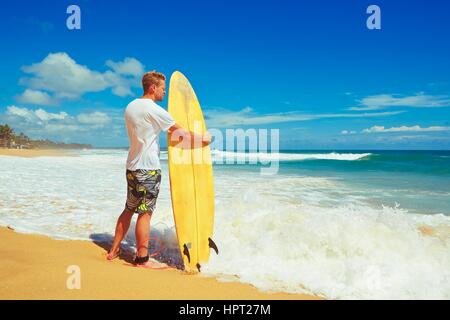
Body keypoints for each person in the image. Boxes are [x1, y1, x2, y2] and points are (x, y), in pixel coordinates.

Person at [107, 70, 211, 268]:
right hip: (148, 169)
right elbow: (180, 132)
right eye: (163, 88)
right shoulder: (153, 109)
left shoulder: (131, 106)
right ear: (153, 88)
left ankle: (114, 249)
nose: (164, 93)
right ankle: (142, 259)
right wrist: (204, 139)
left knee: (129, 208)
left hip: (132, 167)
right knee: (145, 213)